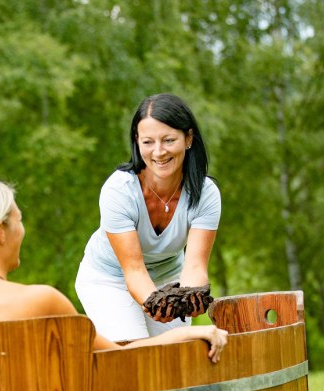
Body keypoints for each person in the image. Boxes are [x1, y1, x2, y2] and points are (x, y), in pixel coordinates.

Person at [0, 178, 227, 362]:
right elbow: (119, 358)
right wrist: (190, 333)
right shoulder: (39, 301)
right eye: (19, 219)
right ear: (0, 231)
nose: (22, 230)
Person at [75, 93, 221, 342]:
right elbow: (133, 270)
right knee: (133, 356)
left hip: (168, 277)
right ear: (136, 142)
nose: (159, 152)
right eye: (148, 142)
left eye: (168, 140)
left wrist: (189, 296)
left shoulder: (206, 193)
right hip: (110, 278)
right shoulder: (118, 190)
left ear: (188, 138)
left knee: (174, 358)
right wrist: (154, 303)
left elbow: (195, 265)